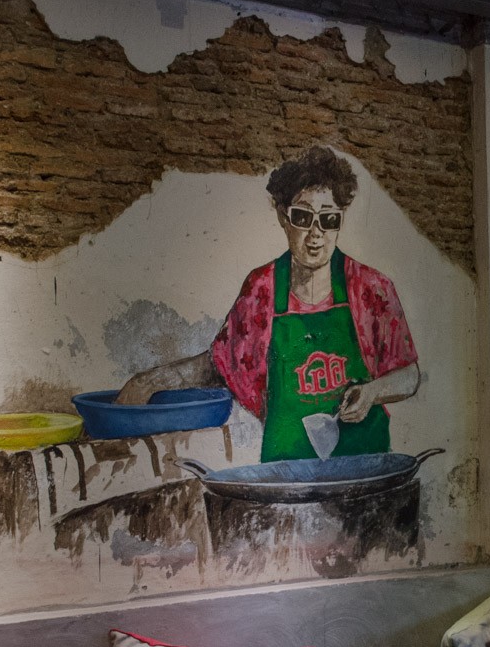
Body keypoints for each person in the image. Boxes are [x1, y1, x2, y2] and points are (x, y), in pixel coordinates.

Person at [117, 146, 419, 462]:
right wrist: (151, 381)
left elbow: (408, 374)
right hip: (285, 471)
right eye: (303, 217)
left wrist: (372, 393)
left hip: (367, 469)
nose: (315, 234)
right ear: (283, 217)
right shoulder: (262, 289)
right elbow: (221, 364)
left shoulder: (371, 289)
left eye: (329, 219)